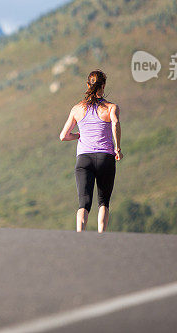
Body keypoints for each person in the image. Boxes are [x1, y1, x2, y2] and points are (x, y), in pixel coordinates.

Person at [58, 69, 122, 233]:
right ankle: (101, 235)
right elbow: (115, 123)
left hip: (83, 159)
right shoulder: (111, 107)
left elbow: (63, 136)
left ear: (88, 85)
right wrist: (118, 147)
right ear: (104, 85)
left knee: (84, 202)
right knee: (103, 201)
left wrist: (78, 135)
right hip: (105, 158)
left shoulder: (77, 109)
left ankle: (80, 234)